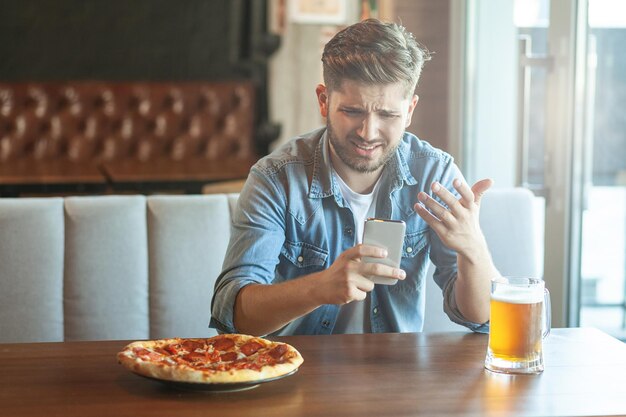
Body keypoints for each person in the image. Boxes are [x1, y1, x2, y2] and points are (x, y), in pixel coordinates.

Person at [210, 19, 499, 336]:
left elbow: (479, 319)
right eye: (352, 111)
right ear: (324, 101)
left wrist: (474, 249)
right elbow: (232, 316)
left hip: (396, 375)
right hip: (296, 373)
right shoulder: (275, 179)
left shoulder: (434, 173)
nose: (368, 133)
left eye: (387, 115)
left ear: (410, 109)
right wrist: (319, 288)